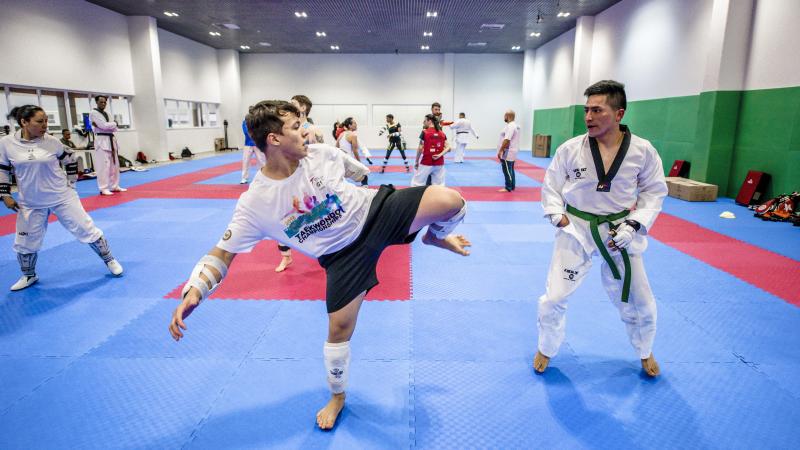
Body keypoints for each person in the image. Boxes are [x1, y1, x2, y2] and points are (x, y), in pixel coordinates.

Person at [168, 100, 471, 430]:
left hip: (377, 212)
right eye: (296, 128)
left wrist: (356, 171)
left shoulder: (322, 154)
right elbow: (222, 253)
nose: (306, 131)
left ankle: (434, 237)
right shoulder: (255, 203)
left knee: (450, 201)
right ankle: (338, 397)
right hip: (342, 258)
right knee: (338, 333)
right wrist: (195, 289)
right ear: (273, 140)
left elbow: (357, 170)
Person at [534, 80, 667, 378]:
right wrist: (559, 217)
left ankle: (645, 351)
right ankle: (546, 347)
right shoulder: (571, 149)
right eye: (586, 110)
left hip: (619, 232)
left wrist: (634, 224)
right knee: (554, 296)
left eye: (597, 110)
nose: (588, 117)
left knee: (641, 300)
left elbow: (654, 192)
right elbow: (551, 186)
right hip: (576, 229)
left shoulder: (642, 151)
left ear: (618, 114)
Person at [1, 105, 123, 291]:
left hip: (61, 196)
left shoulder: (52, 142)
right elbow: (3, 169)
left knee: (86, 229)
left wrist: (71, 183)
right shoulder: (7, 143)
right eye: (40, 122)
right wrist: (5, 194)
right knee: (25, 242)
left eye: (47, 121)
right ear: (24, 122)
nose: (45, 126)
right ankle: (29, 275)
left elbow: (70, 159)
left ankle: (110, 260)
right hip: (30, 201)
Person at [90, 95, 126, 195]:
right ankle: (103, 188)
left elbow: (114, 129)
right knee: (104, 166)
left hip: (111, 139)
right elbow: (103, 126)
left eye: (105, 102)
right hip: (101, 140)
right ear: (96, 102)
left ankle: (115, 186)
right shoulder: (93, 113)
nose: (103, 104)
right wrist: (113, 123)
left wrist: (111, 125)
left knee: (114, 165)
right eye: (101, 102)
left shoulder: (108, 113)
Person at [411, 114, 450, 186]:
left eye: (425, 121)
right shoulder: (442, 133)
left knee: (417, 183)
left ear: (430, 121)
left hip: (426, 162)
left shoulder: (425, 132)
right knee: (439, 185)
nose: (424, 122)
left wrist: (416, 161)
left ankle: (416, 197)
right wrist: (439, 155)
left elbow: (420, 148)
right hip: (439, 163)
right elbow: (448, 148)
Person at [336, 117, 369, 185]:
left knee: (342, 179)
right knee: (365, 173)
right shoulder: (353, 135)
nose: (356, 124)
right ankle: (365, 189)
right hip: (348, 161)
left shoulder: (341, 134)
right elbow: (355, 150)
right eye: (354, 123)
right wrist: (360, 162)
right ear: (350, 126)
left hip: (341, 161)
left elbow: (336, 147)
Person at [496, 110, 521, 192]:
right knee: (510, 169)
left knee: (506, 169)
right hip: (512, 150)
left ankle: (508, 187)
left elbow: (507, 140)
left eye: (505, 116)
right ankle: (512, 186)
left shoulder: (510, 126)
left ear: (508, 116)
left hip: (508, 151)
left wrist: (500, 150)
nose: (504, 118)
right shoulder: (514, 125)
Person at [241, 119, 266, 184]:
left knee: (261, 160)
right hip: (248, 144)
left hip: (258, 143)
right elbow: (246, 132)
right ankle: (244, 178)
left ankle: (263, 177)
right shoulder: (245, 121)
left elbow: (262, 131)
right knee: (245, 160)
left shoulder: (259, 120)